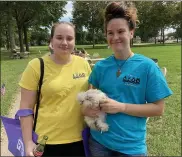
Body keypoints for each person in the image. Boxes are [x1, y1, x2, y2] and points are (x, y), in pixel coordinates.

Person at [82, 2, 173, 156]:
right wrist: (88, 108)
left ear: (131, 32)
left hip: (131, 148)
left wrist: (121, 107)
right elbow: (86, 103)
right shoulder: (100, 67)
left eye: (120, 31)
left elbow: (158, 109)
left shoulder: (148, 67)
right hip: (99, 143)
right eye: (110, 33)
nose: (115, 37)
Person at [19, 21, 92, 156]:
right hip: (46, 142)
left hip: (80, 140)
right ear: (51, 40)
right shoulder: (36, 66)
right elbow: (25, 108)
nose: (64, 42)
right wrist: (28, 141)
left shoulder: (83, 64)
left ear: (75, 41)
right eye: (59, 37)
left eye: (69, 38)